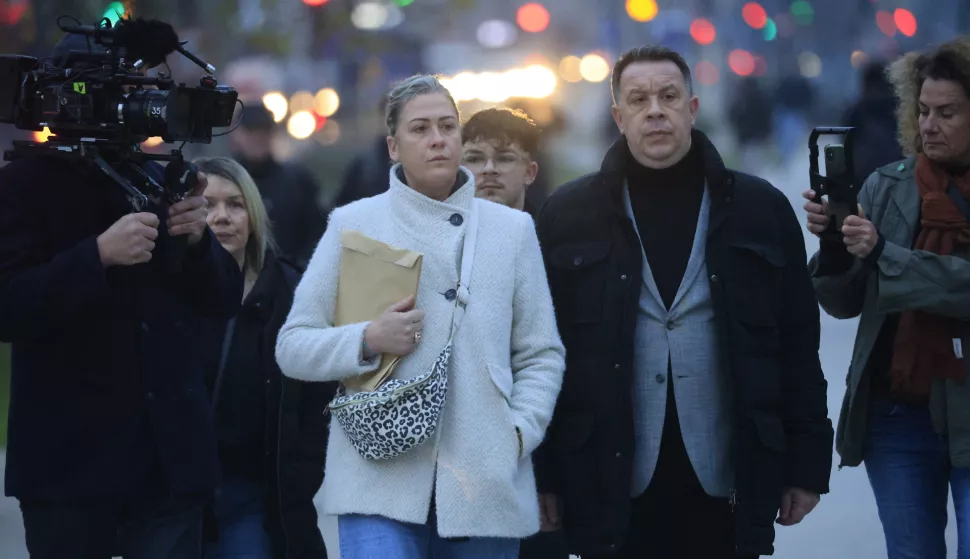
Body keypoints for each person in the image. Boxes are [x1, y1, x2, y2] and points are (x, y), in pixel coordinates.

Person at [534, 45, 833, 559]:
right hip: (608, 475)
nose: (655, 110)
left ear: (692, 109)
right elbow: (539, 354)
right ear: (618, 116)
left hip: (727, 471)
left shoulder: (759, 209)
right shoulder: (567, 214)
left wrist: (806, 466)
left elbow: (799, 346)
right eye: (639, 99)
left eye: (669, 97)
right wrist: (543, 476)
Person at [274, 74, 565, 559]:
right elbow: (293, 346)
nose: (437, 139)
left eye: (448, 126)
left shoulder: (513, 231)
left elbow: (540, 352)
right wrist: (367, 339)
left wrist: (517, 435)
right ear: (393, 145)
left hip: (484, 480)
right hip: (376, 479)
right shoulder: (354, 223)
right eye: (420, 128)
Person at [0, 33, 242, 559]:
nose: (146, 103)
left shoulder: (158, 177)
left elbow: (223, 300)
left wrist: (199, 241)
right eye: (129, 90)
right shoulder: (21, 184)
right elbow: (8, 307)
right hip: (71, 472)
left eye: (151, 89)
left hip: (169, 467)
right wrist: (97, 256)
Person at [806, 37, 970, 558]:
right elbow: (847, 302)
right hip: (897, 417)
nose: (929, 125)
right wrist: (834, 247)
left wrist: (882, 254)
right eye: (922, 110)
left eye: (947, 112)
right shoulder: (887, 186)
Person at [195, 157, 335, 559]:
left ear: (254, 214)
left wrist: (302, 472)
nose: (221, 217)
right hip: (179, 495)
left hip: (258, 489)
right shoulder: (167, 291)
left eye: (235, 205)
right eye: (207, 206)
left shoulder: (292, 294)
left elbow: (319, 393)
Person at [461, 107, 569, 559]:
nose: (487, 170)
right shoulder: (437, 251)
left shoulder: (557, 252)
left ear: (530, 171)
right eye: (474, 157)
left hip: (543, 459)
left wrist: (555, 476)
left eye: (503, 158)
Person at [229, 105, 328, 267]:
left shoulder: (298, 182)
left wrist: (294, 271)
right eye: (251, 130)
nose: (257, 137)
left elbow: (318, 236)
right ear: (236, 134)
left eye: (264, 131)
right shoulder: (224, 183)